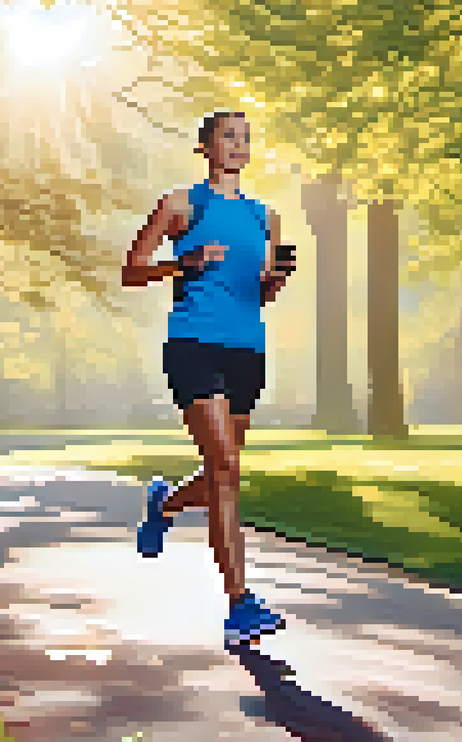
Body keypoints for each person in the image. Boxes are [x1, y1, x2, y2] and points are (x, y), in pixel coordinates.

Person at [121, 110, 297, 647]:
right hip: (194, 345)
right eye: (229, 136)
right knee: (224, 464)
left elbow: (259, 292)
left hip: (247, 349)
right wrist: (184, 263)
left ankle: (165, 504)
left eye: (246, 138)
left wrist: (275, 281)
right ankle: (240, 605)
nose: (239, 145)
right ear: (206, 147)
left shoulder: (267, 217)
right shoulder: (181, 205)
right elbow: (132, 269)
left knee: (225, 471)